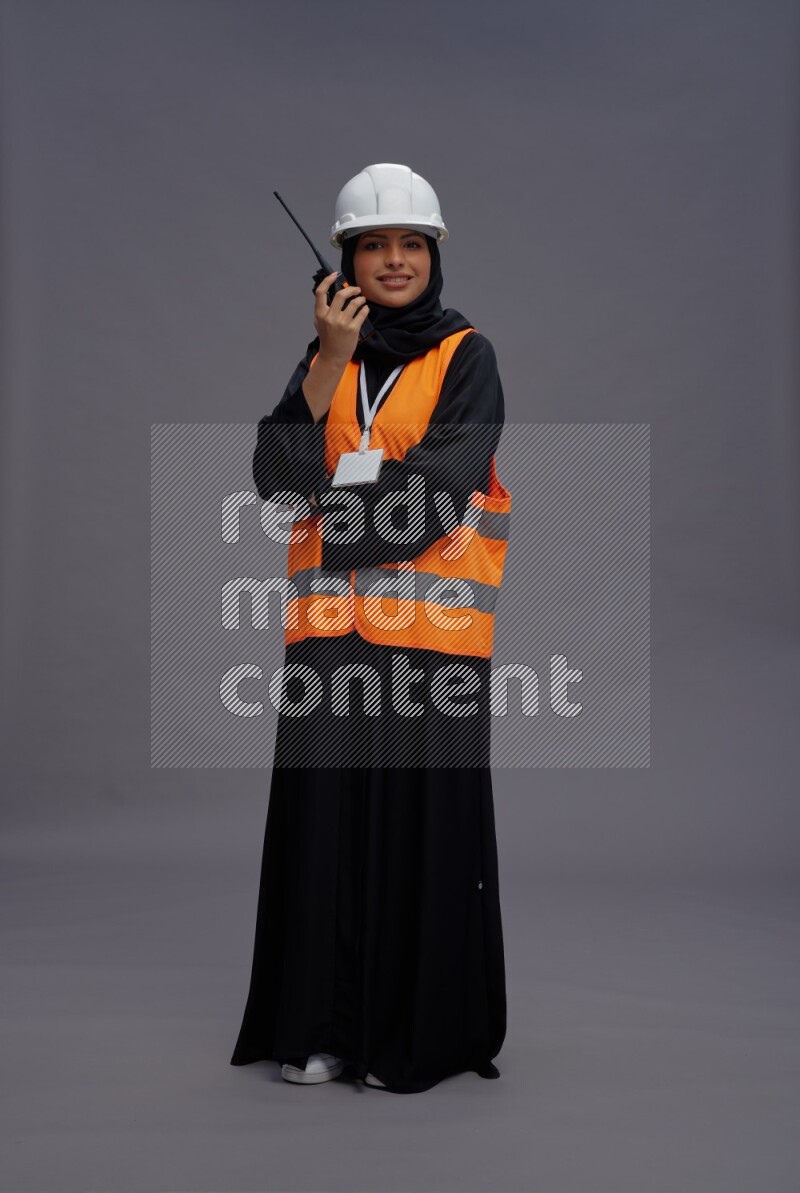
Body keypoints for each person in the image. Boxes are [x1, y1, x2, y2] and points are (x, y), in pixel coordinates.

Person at [230, 163, 512, 1093]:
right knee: (324, 838)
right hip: (326, 644)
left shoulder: (466, 357)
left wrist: (332, 491)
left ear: (433, 254)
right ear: (344, 260)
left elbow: (434, 501)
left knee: (416, 838)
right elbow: (274, 482)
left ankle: (410, 1043)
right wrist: (322, 357)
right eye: (373, 245)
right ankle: (320, 1031)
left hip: (433, 650)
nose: (393, 261)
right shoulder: (326, 356)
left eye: (411, 245)